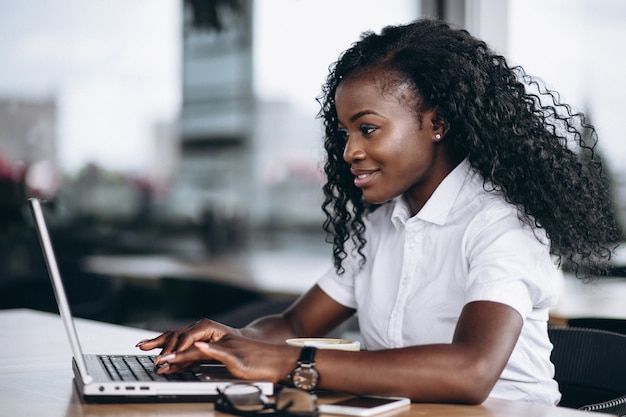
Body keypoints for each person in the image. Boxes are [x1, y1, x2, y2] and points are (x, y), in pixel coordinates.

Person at [137, 18, 621, 405]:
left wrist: (286, 363)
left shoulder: (501, 224)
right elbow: (292, 327)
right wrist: (230, 341)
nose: (348, 151)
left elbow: (471, 371)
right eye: (345, 133)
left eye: (367, 129)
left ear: (437, 123)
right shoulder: (378, 225)